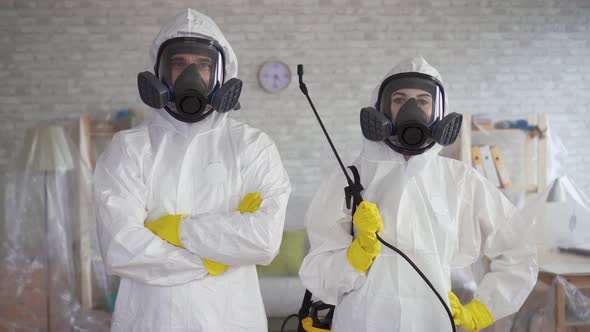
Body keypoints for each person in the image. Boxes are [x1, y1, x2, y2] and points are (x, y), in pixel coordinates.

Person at [298, 56, 537, 332]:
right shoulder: (350, 178)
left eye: (423, 101)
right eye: (399, 100)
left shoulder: (459, 180)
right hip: (362, 322)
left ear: (438, 111)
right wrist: (354, 257)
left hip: (432, 321)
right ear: (382, 108)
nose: (412, 109)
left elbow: (518, 249)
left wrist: (484, 309)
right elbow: (316, 272)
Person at [94, 8, 291, 331]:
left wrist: (176, 231)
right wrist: (213, 258)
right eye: (178, 64)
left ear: (221, 75)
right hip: (150, 320)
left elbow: (264, 240)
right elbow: (121, 248)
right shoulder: (128, 148)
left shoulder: (253, 146)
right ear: (159, 74)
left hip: (229, 319)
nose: (191, 75)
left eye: (202, 65)